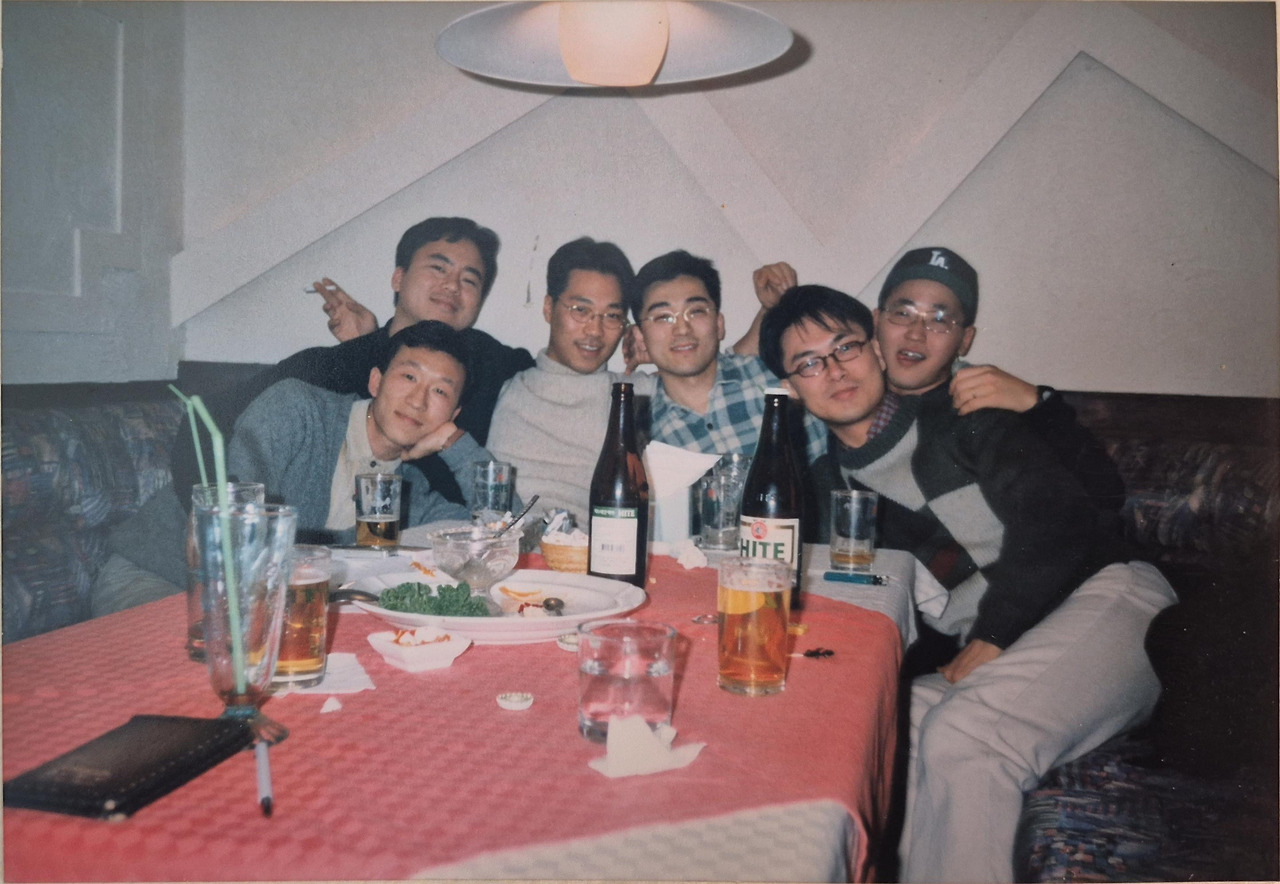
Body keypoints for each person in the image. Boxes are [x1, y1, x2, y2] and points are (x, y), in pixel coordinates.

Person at [759, 279, 1176, 883]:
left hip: (1110, 601)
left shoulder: (966, 421)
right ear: (792, 388)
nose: (835, 370)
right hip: (1013, 648)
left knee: (967, 739)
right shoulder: (822, 486)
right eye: (809, 363)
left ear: (877, 350)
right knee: (880, 735)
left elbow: (1058, 523)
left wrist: (992, 635)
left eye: (845, 347)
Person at [173, 216, 534, 506]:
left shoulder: (491, 362)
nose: (452, 286)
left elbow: (551, 372)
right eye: (439, 268)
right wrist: (218, 519)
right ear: (399, 278)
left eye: (470, 280)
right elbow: (204, 420)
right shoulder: (333, 366)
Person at [227, 320, 502, 542]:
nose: (418, 401)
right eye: (409, 377)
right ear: (375, 382)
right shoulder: (296, 410)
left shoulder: (411, 491)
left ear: (452, 416)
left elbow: (501, 533)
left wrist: (455, 442)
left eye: (440, 391)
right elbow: (233, 521)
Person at [485, 237, 655, 520]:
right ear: (549, 308)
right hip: (509, 540)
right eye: (581, 310)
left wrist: (662, 352)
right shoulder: (502, 383)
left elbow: (714, 382)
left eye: (612, 316)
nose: (595, 331)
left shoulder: (634, 392)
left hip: (597, 542)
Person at [627, 249, 826, 463]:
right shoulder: (641, 434)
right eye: (663, 317)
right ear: (640, 338)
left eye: (696, 311)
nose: (682, 329)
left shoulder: (778, 376)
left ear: (719, 324)